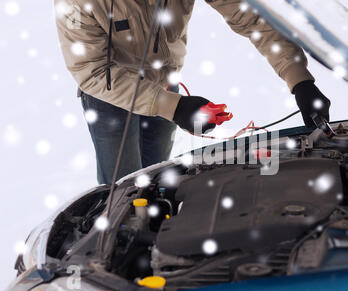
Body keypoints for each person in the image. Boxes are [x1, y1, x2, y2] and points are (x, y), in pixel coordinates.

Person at [55, 0, 331, 184]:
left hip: (165, 86)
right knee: (124, 192)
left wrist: (300, 81)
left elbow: (251, 19)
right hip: (110, 99)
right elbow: (89, 70)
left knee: (157, 181)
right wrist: (173, 107)